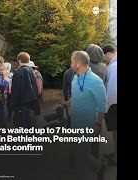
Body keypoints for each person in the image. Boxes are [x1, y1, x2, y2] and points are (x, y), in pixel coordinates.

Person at [56, 51, 107, 179]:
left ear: (78, 64)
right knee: (74, 149)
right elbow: (76, 98)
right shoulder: (75, 78)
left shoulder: (95, 81)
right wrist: (64, 105)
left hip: (88, 122)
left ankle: (94, 168)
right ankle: (98, 166)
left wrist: (98, 124)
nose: (70, 64)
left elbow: (103, 104)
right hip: (75, 121)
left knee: (81, 153)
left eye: (72, 61)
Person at [10, 52, 40, 128]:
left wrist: (13, 105)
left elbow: (15, 90)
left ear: (19, 60)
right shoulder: (32, 72)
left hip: (21, 106)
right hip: (31, 106)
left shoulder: (18, 72)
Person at [102, 44, 117, 165]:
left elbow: (112, 89)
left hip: (114, 104)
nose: (104, 59)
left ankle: (116, 158)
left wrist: (107, 105)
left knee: (115, 132)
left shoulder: (114, 66)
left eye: (103, 56)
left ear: (108, 53)